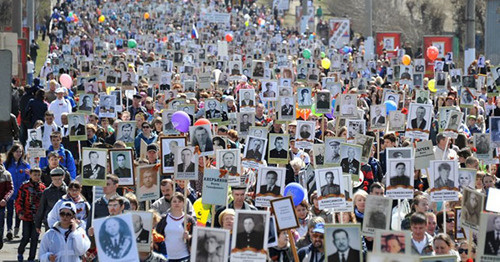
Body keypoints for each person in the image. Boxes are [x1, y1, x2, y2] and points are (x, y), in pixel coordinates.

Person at [15, 167, 45, 261]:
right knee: (26, 237)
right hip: (26, 216)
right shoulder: (25, 187)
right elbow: (19, 201)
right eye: (34, 175)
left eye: (38, 175)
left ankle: (31, 258)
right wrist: (20, 212)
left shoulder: (43, 188)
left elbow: (44, 203)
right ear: (30, 175)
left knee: (35, 238)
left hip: (37, 218)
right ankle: (20, 252)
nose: (36, 177)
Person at [156, 192, 195, 261]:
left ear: (183, 203)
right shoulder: (163, 219)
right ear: (170, 203)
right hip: (166, 256)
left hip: (184, 256)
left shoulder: (189, 220)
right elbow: (157, 235)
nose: (177, 203)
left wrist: (189, 237)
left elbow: (196, 238)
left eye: (179, 201)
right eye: (174, 201)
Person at [35, 168, 68, 233]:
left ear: (63, 177)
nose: (57, 181)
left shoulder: (68, 191)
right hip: (50, 222)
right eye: (55, 179)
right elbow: (41, 208)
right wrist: (38, 224)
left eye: (59, 179)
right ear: (51, 179)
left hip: (65, 221)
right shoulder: (47, 192)